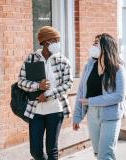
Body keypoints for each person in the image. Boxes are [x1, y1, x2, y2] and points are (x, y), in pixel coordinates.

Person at [18, 26, 73, 160]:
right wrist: (38, 86)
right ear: (46, 42)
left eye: (57, 40)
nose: (57, 43)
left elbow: (68, 85)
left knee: (52, 149)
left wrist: (48, 94)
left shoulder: (63, 61)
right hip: (35, 111)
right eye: (55, 40)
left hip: (55, 110)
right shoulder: (31, 59)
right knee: (35, 151)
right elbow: (21, 81)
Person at [73, 33, 126, 160]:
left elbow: (119, 96)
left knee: (105, 155)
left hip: (111, 115)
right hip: (92, 114)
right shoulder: (88, 66)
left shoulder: (118, 69)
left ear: (106, 47)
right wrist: (77, 117)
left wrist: (91, 101)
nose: (93, 45)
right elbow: (81, 91)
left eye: (96, 43)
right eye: (94, 42)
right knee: (98, 153)